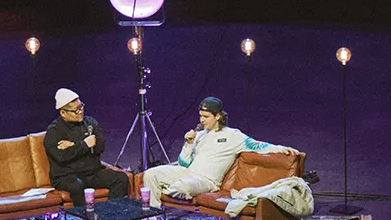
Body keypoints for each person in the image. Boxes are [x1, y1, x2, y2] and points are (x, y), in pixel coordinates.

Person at [141, 96, 297, 209]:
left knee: (183, 187)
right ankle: (154, 217)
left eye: (206, 117)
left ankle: (161, 190)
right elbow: (184, 163)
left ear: (218, 116)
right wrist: (188, 144)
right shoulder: (199, 135)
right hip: (187, 173)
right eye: (200, 116)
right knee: (150, 174)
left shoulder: (233, 135)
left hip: (207, 181)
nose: (202, 120)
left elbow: (258, 146)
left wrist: (281, 149)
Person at [44, 87, 129, 209]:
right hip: (67, 176)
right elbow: (61, 157)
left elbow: (100, 147)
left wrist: (74, 145)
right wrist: (84, 144)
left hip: (92, 173)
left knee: (121, 178)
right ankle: (85, 217)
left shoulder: (90, 123)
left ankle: (110, 213)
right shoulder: (54, 131)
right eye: (76, 110)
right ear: (63, 113)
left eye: (81, 107)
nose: (80, 112)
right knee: (77, 186)